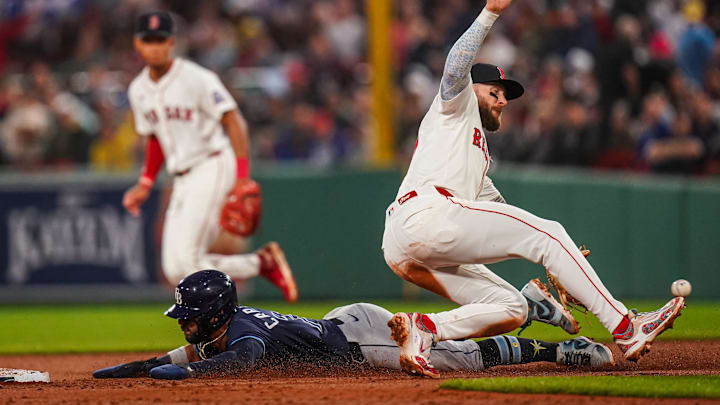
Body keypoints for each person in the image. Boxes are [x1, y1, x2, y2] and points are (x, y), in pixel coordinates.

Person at [381, 0, 684, 377]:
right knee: (550, 233)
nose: (504, 100)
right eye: (495, 91)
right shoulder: (455, 105)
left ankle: (425, 330)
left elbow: (502, 221)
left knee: (512, 307)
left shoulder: (474, 155)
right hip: (426, 214)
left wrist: (564, 267)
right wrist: (490, 12)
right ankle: (628, 327)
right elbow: (455, 65)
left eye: (505, 95)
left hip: (405, 244)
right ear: (472, 90)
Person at [92, 270, 614, 380]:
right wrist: (122, 371)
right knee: (448, 345)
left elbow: (242, 362)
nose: (184, 327)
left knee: (458, 356)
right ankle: (523, 307)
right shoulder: (226, 328)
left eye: (189, 316)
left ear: (211, 314)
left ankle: (552, 349)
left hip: (363, 341)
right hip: (347, 328)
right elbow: (171, 358)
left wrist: (184, 377)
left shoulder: (241, 335)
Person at [121, 12, 297, 302]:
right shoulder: (138, 90)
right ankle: (262, 263)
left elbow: (234, 121)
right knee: (174, 267)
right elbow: (154, 138)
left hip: (212, 163)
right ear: (137, 45)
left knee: (189, 260)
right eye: (148, 40)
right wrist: (145, 182)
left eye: (160, 40)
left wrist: (242, 177)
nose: (154, 47)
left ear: (171, 43)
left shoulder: (196, 78)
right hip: (181, 177)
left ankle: (224, 311)